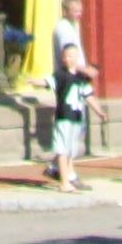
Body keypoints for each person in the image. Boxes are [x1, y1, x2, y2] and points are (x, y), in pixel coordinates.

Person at [52, 39, 93, 193]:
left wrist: (99, 111)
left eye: (73, 56)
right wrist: (35, 82)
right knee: (63, 150)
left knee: (70, 150)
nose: (69, 59)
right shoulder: (60, 75)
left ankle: (67, 176)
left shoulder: (80, 78)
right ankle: (64, 182)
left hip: (76, 118)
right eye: (67, 56)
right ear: (62, 58)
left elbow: (88, 95)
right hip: (63, 117)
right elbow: (48, 81)